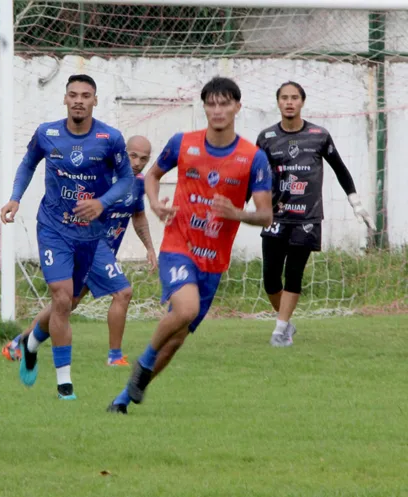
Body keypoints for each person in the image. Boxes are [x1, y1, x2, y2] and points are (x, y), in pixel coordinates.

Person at [107, 77, 273, 414]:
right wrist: (154, 204)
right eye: (211, 103)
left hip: (213, 259)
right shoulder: (183, 143)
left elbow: (266, 215)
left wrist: (235, 212)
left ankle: (124, 398)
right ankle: (144, 360)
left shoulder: (253, 158)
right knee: (185, 310)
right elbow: (151, 176)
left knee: (177, 339)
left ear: (237, 108)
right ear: (205, 108)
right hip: (178, 244)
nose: (217, 110)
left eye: (224, 103)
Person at [0, 74, 134, 400]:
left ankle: (29, 344)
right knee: (61, 298)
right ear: (65, 99)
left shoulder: (110, 138)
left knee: (69, 303)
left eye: (85, 95)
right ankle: (64, 386)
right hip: (53, 228)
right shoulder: (47, 134)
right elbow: (27, 164)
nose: (78, 100)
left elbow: (126, 179)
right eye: (73, 94)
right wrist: (16, 196)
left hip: (90, 236)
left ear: (94, 100)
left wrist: (101, 203)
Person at [2, 135, 157, 367]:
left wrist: (150, 248)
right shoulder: (103, 177)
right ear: (123, 153)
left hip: (102, 251)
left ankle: (19, 343)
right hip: (91, 244)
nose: (137, 162)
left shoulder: (138, 183)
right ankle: (115, 357)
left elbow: (138, 215)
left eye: (143, 159)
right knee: (123, 292)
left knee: (68, 303)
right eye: (132, 156)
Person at [256, 81, 375, 347]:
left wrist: (355, 202)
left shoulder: (319, 135)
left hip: (307, 218)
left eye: (294, 97)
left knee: (294, 274)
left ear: (302, 102)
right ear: (278, 102)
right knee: (270, 279)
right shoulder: (266, 138)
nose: (289, 102)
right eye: (284, 97)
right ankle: (285, 320)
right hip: (275, 217)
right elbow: (256, 176)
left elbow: (340, 169)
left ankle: (280, 329)